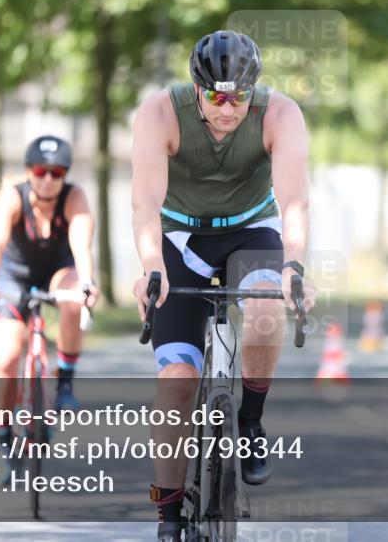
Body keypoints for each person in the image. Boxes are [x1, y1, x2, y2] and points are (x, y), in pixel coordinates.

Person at [130, 30, 317, 541]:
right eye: (216, 96)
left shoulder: (280, 115)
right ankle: (168, 516)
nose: (228, 107)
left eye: (239, 95)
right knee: (176, 381)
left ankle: (251, 421)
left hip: (251, 228)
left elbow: (295, 201)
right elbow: (144, 201)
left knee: (263, 307)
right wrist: (152, 266)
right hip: (180, 237)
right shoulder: (159, 114)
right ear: (196, 89)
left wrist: (294, 268)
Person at [0, 135, 100, 478]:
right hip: (11, 277)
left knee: (73, 298)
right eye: (41, 171)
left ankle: (64, 383)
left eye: (57, 172)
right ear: (29, 171)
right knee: (5, 358)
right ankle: (4, 443)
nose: (48, 179)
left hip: (58, 273)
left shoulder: (74, 198)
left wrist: (88, 282)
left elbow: (81, 242)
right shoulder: (11, 197)